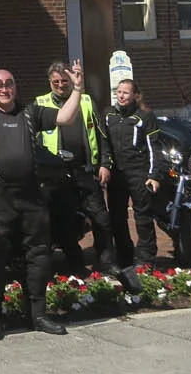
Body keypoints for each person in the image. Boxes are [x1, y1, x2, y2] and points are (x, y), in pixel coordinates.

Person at [0, 65, 77, 339]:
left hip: (31, 195)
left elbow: (65, 117)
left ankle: (38, 314)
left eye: (9, 84)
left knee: (39, 254)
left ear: (16, 87)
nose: (4, 89)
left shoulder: (32, 112)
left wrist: (78, 88)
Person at [37, 60, 119, 278]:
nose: (60, 85)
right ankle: (75, 264)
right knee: (65, 221)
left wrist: (104, 163)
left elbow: (100, 135)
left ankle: (106, 262)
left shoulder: (85, 100)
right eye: (55, 81)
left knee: (101, 218)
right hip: (57, 173)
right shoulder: (40, 103)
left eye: (64, 80)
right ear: (49, 82)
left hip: (85, 169)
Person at [101, 78, 161, 282]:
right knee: (117, 216)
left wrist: (154, 175)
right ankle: (124, 256)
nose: (121, 96)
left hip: (139, 172)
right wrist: (105, 165)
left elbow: (154, 148)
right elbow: (104, 143)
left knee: (143, 216)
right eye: (118, 92)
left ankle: (146, 258)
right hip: (117, 174)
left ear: (135, 95)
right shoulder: (109, 114)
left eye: (126, 93)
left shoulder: (145, 116)